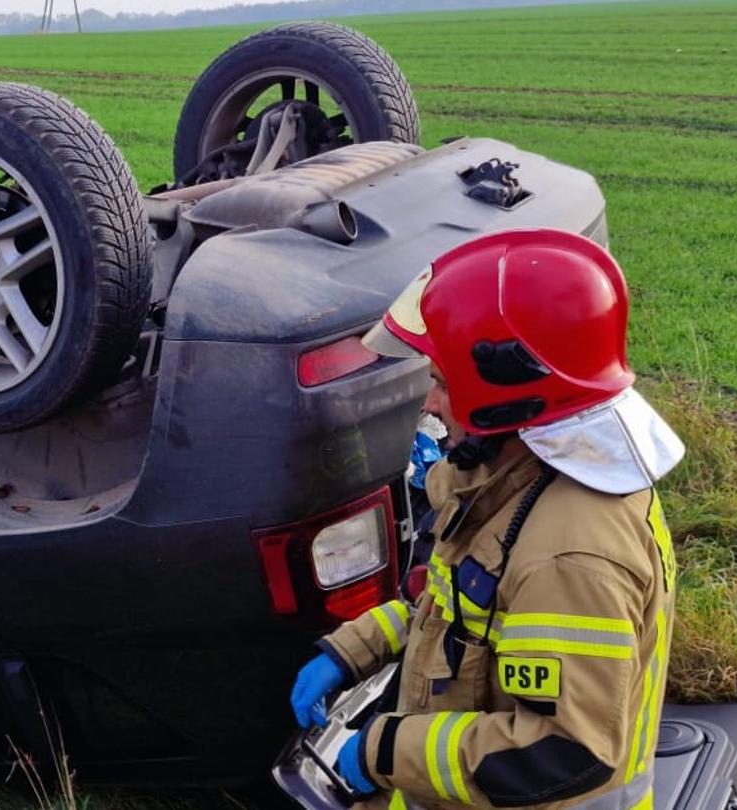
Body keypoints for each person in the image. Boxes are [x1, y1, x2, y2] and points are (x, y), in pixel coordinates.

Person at [289, 228, 684, 809]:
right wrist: (352, 650)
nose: (428, 403)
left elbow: (560, 754)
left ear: (508, 404)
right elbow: (457, 610)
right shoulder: (515, 485)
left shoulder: (569, 558)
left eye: (443, 384)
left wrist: (382, 751)